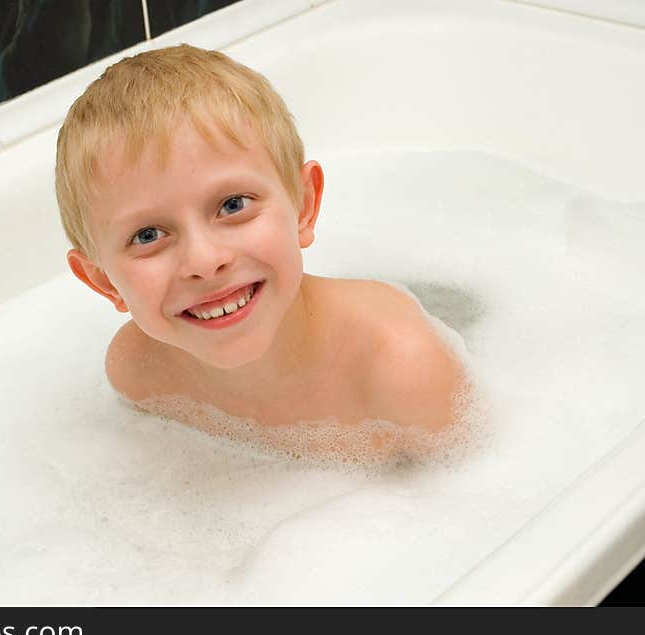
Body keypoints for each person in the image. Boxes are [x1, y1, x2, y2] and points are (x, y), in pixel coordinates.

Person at [55, 44, 469, 457]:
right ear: (105, 281)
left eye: (233, 205)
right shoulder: (139, 374)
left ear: (303, 207)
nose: (204, 260)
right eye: (147, 235)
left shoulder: (405, 370)